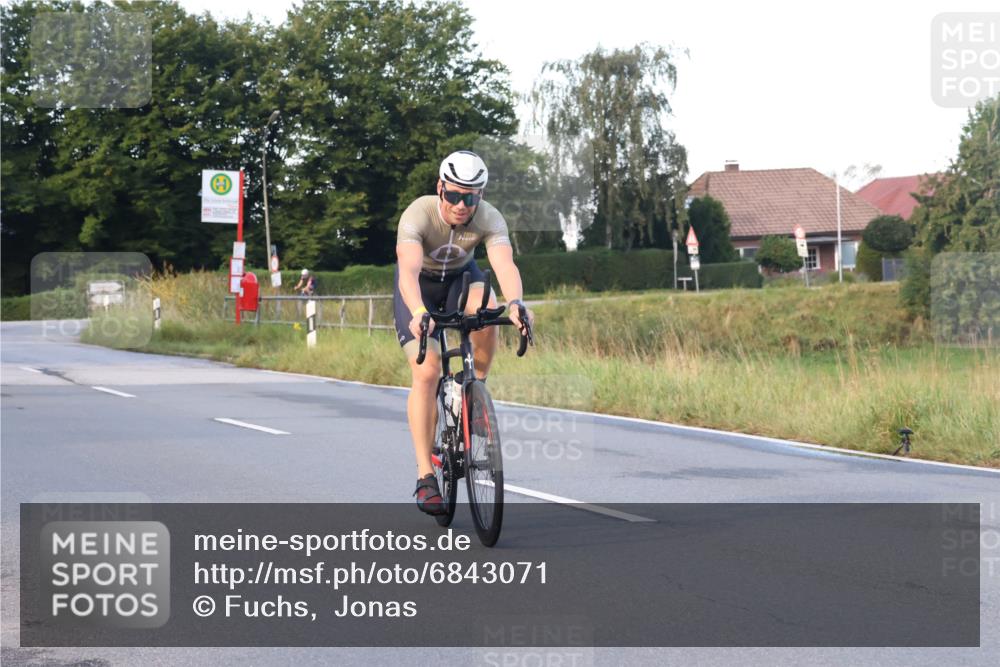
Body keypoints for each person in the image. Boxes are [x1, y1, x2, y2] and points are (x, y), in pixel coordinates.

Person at [394, 150, 534, 515]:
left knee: (487, 309)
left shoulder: (489, 218)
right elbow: (407, 270)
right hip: (420, 289)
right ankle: (426, 475)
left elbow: (504, 264)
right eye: (453, 195)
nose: (460, 204)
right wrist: (420, 312)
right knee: (426, 371)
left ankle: (473, 391)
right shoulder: (417, 214)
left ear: (480, 196)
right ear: (440, 188)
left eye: (469, 198)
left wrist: (517, 302)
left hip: (460, 279)